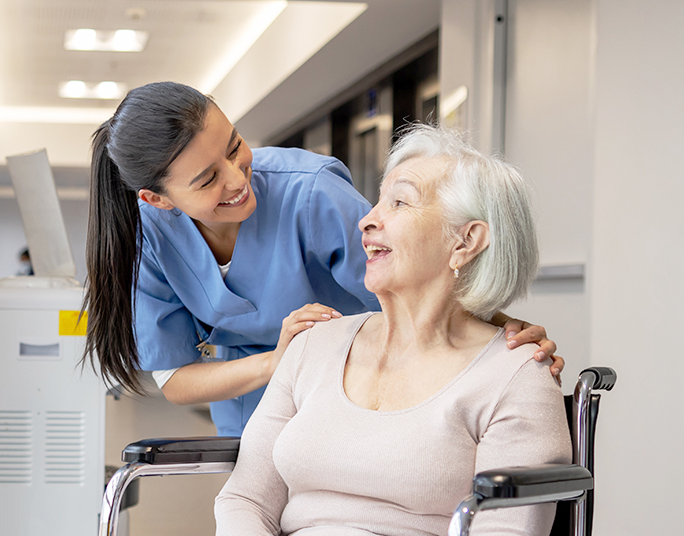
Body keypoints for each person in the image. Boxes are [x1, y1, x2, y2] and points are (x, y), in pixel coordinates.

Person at [115, 124, 571, 536]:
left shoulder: (515, 374)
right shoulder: (313, 345)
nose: (366, 219)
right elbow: (247, 497)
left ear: (465, 241)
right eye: (376, 200)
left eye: (398, 203)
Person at [82, 81, 561, 436]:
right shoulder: (149, 239)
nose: (236, 179)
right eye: (207, 179)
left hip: (360, 377)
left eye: (235, 147)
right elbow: (176, 378)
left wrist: (498, 330)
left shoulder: (309, 193)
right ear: (158, 199)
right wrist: (279, 362)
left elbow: (419, 278)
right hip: (252, 401)